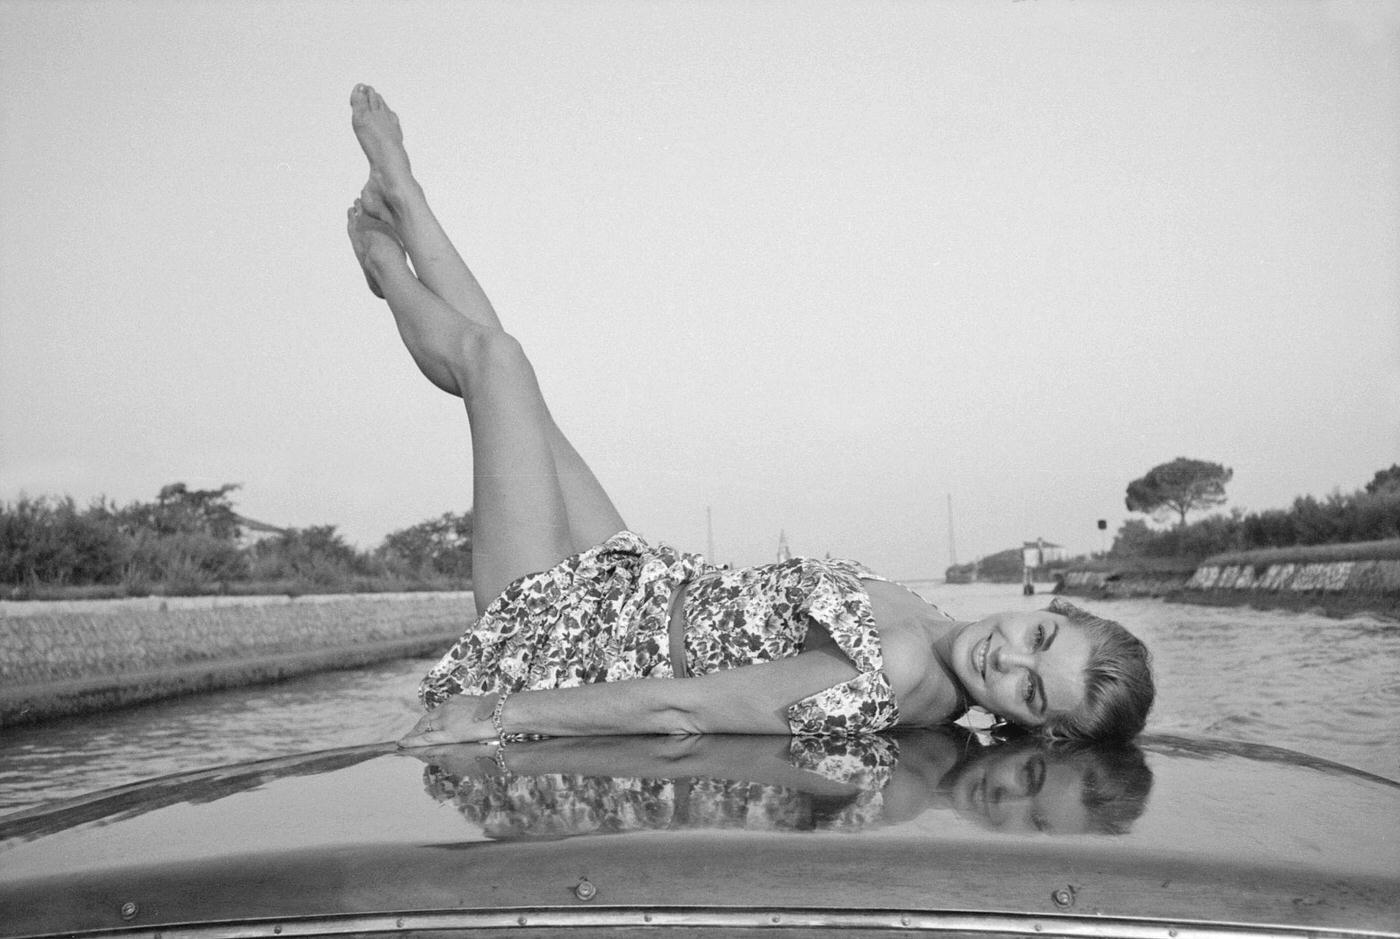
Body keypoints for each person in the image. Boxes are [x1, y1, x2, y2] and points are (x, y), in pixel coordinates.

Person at [342, 84, 1154, 750]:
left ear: (1029, 725)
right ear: (1050, 610)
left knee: (497, 365)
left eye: (1031, 689)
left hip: (574, 647)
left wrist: (496, 713)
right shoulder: (938, 628)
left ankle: (385, 258)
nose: (1008, 656)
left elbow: (685, 705)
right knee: (527, 396)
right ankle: (408, 205)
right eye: (1039, 638)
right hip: (639, 584)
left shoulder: (898, 675)